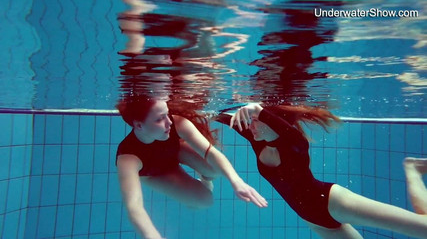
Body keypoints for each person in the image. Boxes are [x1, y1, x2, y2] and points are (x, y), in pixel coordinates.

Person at [215, 103, 427, 239]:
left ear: (271, 122)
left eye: (254, 121)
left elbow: (287, 133)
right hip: (315, 222)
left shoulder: (295, 145)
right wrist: (204, 113)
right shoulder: (257, 138)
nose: (249, 126)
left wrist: (258, 111)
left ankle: (412, 169)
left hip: (335, 203)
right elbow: (224, 117)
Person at [115, 95, 268, 239]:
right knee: (205, 201)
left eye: (167, 114)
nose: (168, 122)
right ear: (139, 125)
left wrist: (237, 182)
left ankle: (204, 177)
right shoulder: (128, 158)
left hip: (175, 153)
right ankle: (194, 191)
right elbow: (134, 206)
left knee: (214, 169)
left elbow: (212, 153)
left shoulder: (177, 123)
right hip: (156, 173)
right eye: (159, 119)